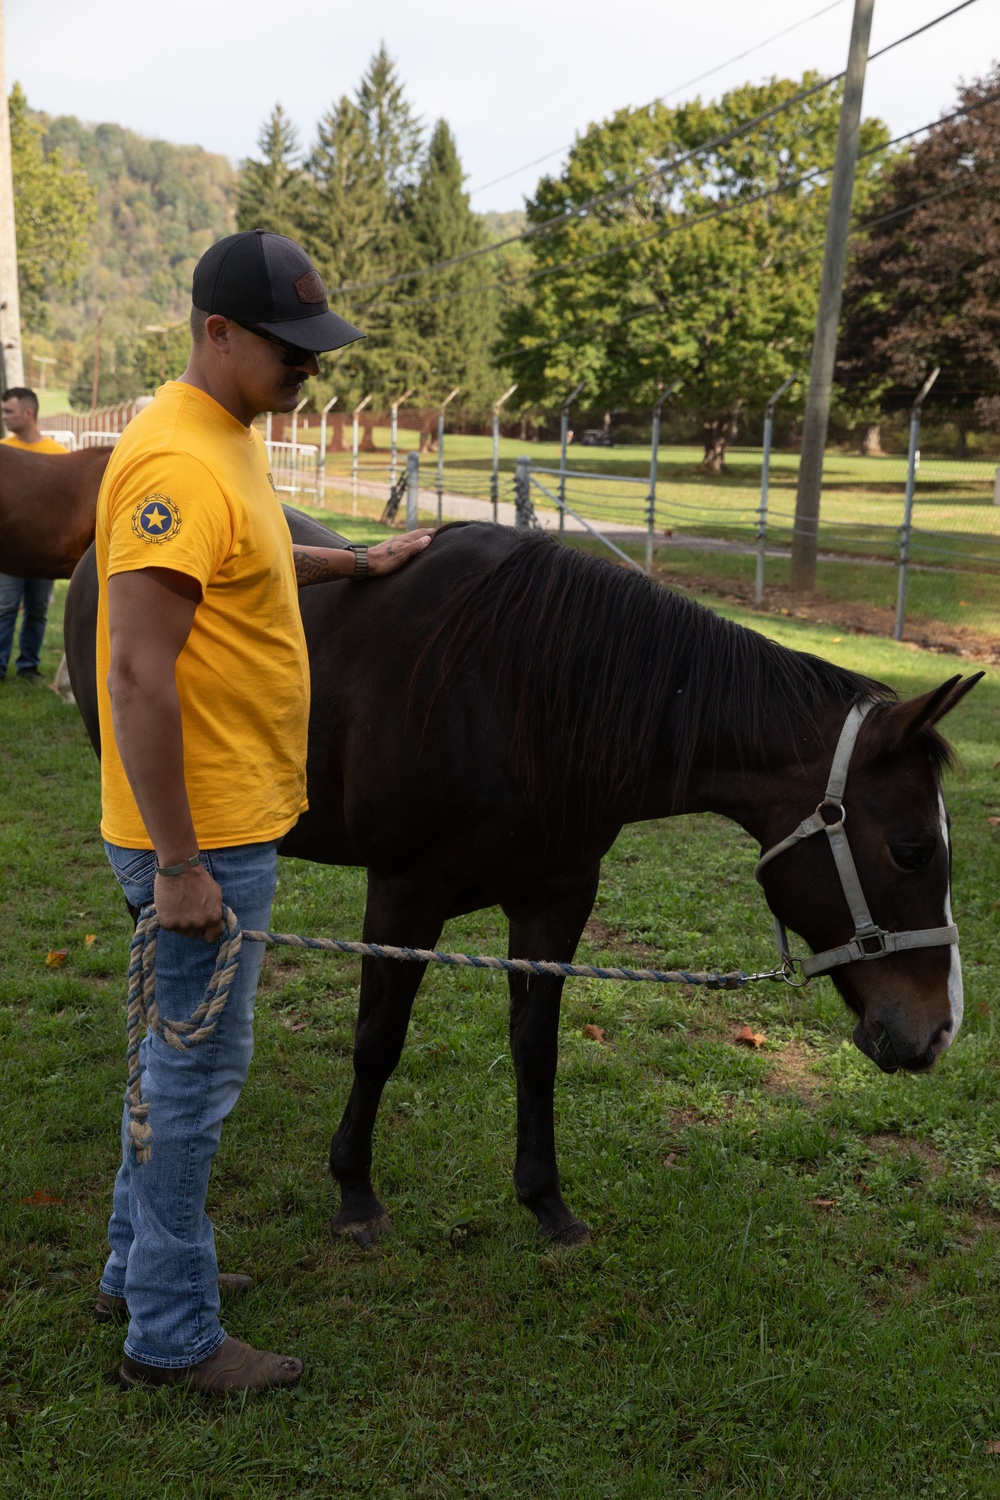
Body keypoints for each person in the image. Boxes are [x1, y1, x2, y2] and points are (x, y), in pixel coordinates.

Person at [93, 229, 435, 1394]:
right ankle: (172, 1334)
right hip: (201, 839)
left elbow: (251, 554)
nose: (309, 372)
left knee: (163, 1060)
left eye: (317, 350)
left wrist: (352, 564)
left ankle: (134, 1267)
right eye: (290, 351)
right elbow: (137, 673)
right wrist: (183, 863)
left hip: (223, 822)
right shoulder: (178, 464)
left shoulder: (222, 435)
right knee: (191, 1078)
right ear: (216, 332)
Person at [0, 387, 68, 684]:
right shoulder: (3, 450)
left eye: (8, 411)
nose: (4, 417)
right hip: (9, 548)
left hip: (44, 550)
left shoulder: (60, 456)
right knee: (4, 607)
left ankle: (29, 666)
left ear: (28, 414)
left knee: (38, 610)